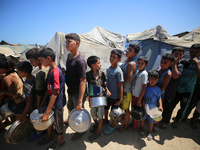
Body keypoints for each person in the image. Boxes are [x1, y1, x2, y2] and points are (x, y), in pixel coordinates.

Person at [38, 48, 66, 150]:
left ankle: (60, 139)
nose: (41, 62)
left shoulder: (55, 73)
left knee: (58, 121)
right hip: (51, 101)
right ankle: (49, 136)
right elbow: (49, 88)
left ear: (48, 58)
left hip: (57, 103)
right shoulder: (50, 69)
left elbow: (55, 94)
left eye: (42, 60)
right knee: (53, 120)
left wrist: (46, 112)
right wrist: (44, 99)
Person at [65, 33, 87, 140]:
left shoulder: (80, 61)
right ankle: (70, 120)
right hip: (70, 90)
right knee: (70, 107)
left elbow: (83, 81)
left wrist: (79, 100)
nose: (66, 44)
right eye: (66, 41)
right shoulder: (69, 57)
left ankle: (80, 130)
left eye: (69, 42)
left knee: (79, 111)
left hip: (78, 92)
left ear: (77, 43)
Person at [172, 44, 200, 128]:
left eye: (196, 52)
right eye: (192, 52)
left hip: (188, 90)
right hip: (178, 88)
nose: (194, 53)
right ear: (189, 52)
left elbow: (199, 75)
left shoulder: (198, 64)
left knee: (183, 107)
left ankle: (177, 120)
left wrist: (197, 63)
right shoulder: (183, 62)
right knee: (172, 105)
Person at [26, 48, 49, 142]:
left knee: (41, 117)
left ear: (39, 59)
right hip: (47, 97)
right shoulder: (47, 68)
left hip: (42, 99)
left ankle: (42, 132)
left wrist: (39, 103)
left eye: (31, 61)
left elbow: (39, 92)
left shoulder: (40, 73)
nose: (31, 63)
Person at [86, 56, 111, 141]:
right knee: (93, 114)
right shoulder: (88, 75)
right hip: (92, 98)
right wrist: (87, 95)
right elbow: (85, 86)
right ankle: (96, 124)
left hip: (101, 97)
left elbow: (104, 84)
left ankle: (98, 132)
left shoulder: (101, 74)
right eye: (99, 63)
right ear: (93, 65)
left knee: (100, 114)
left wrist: (107, 90)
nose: (100, 64)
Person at [159, 47, 184, 129]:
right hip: (162, 90)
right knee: (161, 105)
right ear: (172, 54)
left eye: (180, 54)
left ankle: (165, 121)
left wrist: (175, 64)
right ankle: (158, 119)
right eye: (176, 54)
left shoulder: (179, 66)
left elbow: (176, 76)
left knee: (168, 107)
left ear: (183, 56)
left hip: (170, 91)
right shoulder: (166, 63)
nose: (178, 56)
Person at [117, 43, 138, 132]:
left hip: (126, 90)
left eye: (130, 50)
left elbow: (128, 80)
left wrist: (120, 71)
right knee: (123, 107)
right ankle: (124, 122)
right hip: (123, 89)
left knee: (126, 109)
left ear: (135, 54)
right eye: (127, 49)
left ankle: (125, 126)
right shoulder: (126, 62)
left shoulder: (131, 64)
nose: (127, 51)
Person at [0, 56, 26, 123]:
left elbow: (13, 93)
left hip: (18, 103)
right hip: (24, 100)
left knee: (18, 119)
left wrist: (3, 92)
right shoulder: (15, 73)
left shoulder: (7, 78)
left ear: (8, 69)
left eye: (0, 69)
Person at [104, 49, 124, 135]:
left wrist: (120, 99)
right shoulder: (109, 69)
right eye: (111, 56)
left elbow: (120, 86)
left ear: (119, 59)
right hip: (108, 96)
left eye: (114, 57)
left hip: (115, 97)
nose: (111, 58)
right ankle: (105, 120)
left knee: (114, 112)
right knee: (106, 108)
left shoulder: (118, 71)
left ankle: (112, 125)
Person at [140, 70, 163, 141]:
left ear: (157, 80)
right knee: (143, 119)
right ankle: (142, 129)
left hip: (153, 108)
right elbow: (142, 96)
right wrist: (143, 101)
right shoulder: (145, 86)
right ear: (148, 79)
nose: (152, 80)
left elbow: (159, 98)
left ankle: (150, 132)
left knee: (151, 120)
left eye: (154, 79)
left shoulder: (158, 89)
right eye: (151, 79)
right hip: (144, 107)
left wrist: (160, 106)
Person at [131, 56, 148, 130]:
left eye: (142, 63)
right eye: (138, 63)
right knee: (133, 110)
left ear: (146, 65)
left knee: (137, 112)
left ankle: (135, 127)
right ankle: (132, 123)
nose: (139, 65)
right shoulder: (138, 72)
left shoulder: (144, 74)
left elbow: (144, 87)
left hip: (138, 97)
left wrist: (139, 99)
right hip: (134, 95)